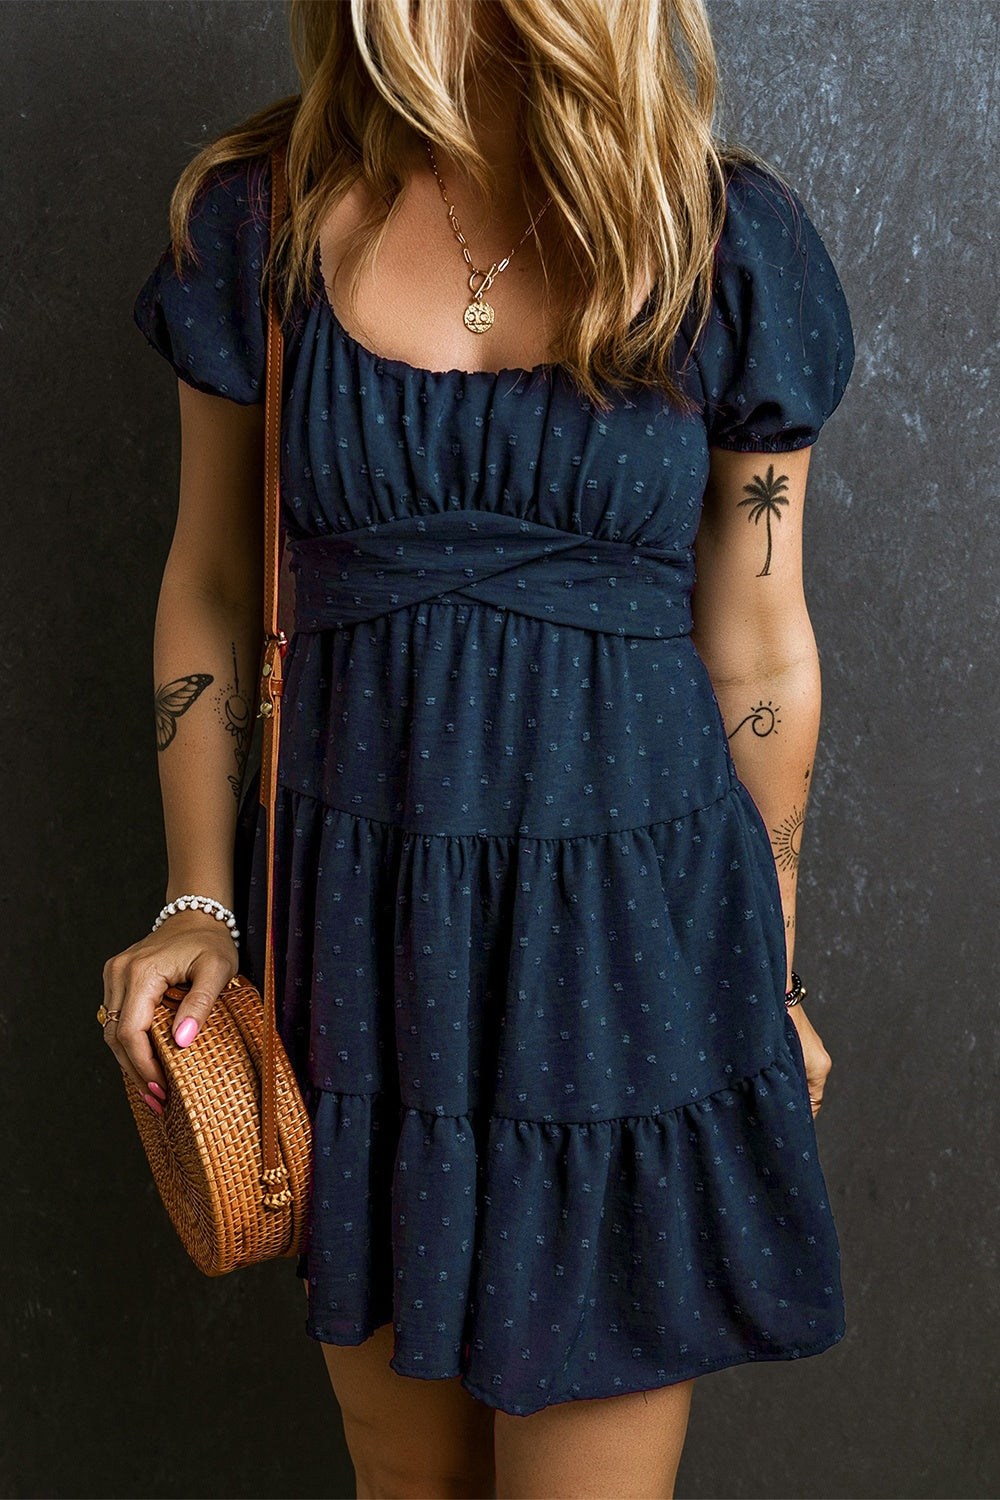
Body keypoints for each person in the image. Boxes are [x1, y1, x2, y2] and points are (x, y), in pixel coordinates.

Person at [103, 0, 855, 1494]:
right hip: (365, 957)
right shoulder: (259, 221)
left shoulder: (723, 241)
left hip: (632, 976)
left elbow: (763, 644)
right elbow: (214, 585)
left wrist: (767, 970)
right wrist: (199, 898)